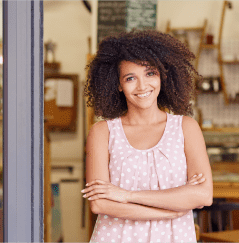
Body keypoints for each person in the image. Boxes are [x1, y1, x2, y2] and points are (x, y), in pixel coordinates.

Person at [82, 29, 213, 243]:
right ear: (118, 84)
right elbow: (100, 204)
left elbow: (203, 195)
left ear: (162, 74)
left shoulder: (186, 128)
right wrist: (170, 209)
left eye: (150, 73)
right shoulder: (102, 132)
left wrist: (126, 195)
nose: (142, 86)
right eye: (130, 78)